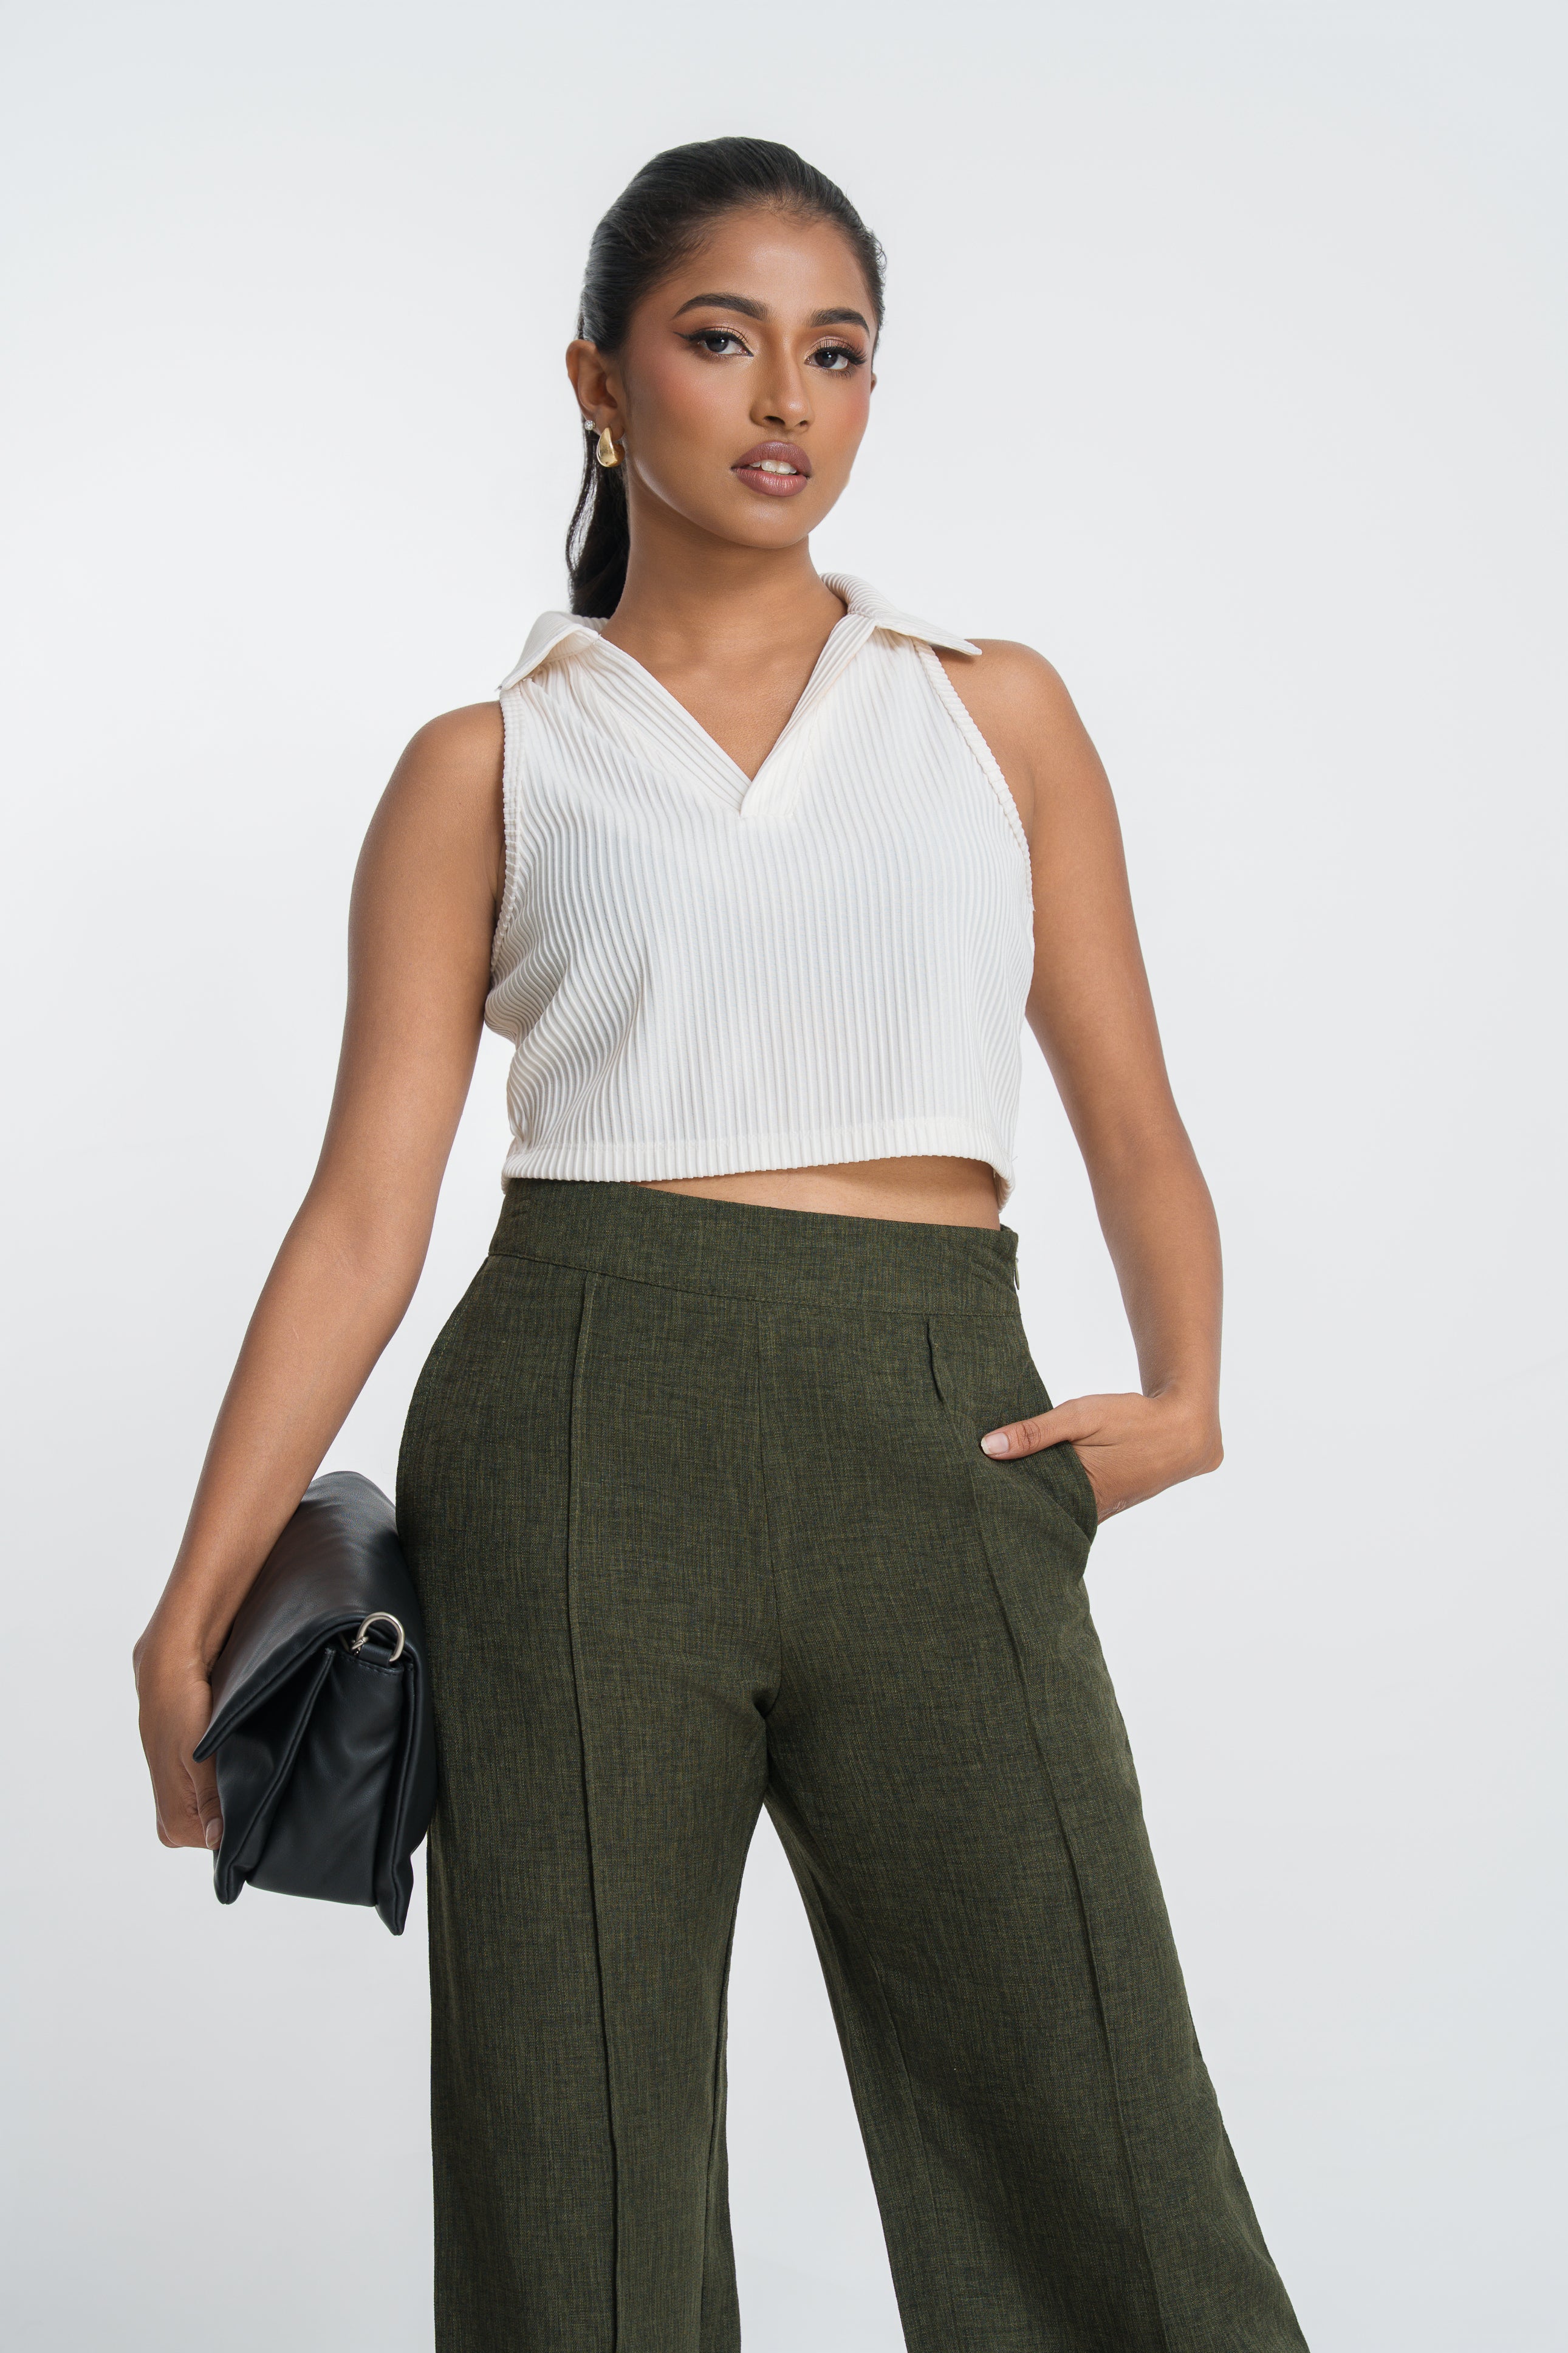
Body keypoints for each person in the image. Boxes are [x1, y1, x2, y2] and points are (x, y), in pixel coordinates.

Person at [133, 136, 1309, 2353]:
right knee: (573, 2169)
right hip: (579, 1439)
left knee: (1104, 2140)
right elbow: (365, 1217)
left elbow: (1133, 1117)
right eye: (720, 338)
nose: (786, 398)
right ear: (600, 384)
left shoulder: (991, 708)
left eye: (836, 351)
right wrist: (189, 1610)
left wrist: (1191, 1391)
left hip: (938, 1433)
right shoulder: (490, 763)